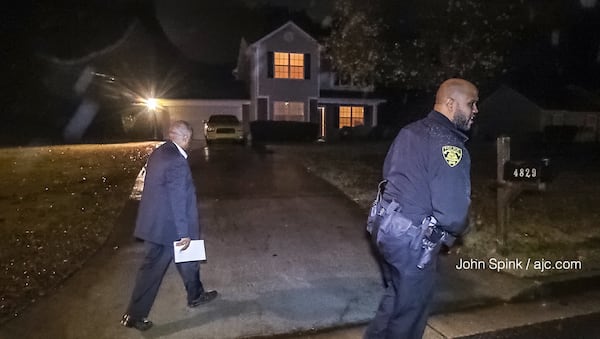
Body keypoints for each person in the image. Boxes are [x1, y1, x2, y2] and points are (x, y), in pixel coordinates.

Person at [364, 78, 479, 339]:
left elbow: (390, 175)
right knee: (410, 315)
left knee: (395, 298)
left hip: (384, 229)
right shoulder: (450, 146)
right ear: (450, 103)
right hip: (411, 243)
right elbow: (452, 214)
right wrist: (463, 225)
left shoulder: (410, 131)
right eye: (471, 104)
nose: (476, 111)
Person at [121, 120, 217, 331]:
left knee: (189, 262)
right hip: (169, 229)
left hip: (156, 223)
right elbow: (177, 198)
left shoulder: (160, 152)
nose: (189, 143)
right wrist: (183, 233)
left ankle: (196, 295)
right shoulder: (176, 161)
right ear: (183, 138)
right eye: (189, 139)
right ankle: (135, 316)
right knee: (152, 270)